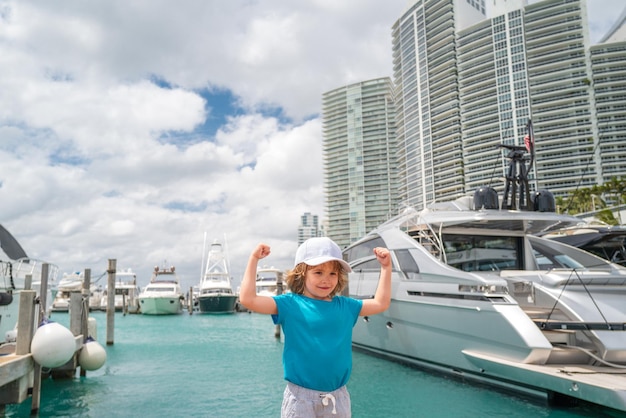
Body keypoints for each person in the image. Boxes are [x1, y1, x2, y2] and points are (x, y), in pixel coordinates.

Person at [239, 236, 392, 418]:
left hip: (338, 398)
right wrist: (253, 259)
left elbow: (381, 303)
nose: (326, 280)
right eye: (318, 272)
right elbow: (248, 300)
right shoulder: (289, 304)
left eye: (332, 273)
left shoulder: (346, 306)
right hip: (300, 399)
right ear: (301, 273)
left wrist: (386, 267)